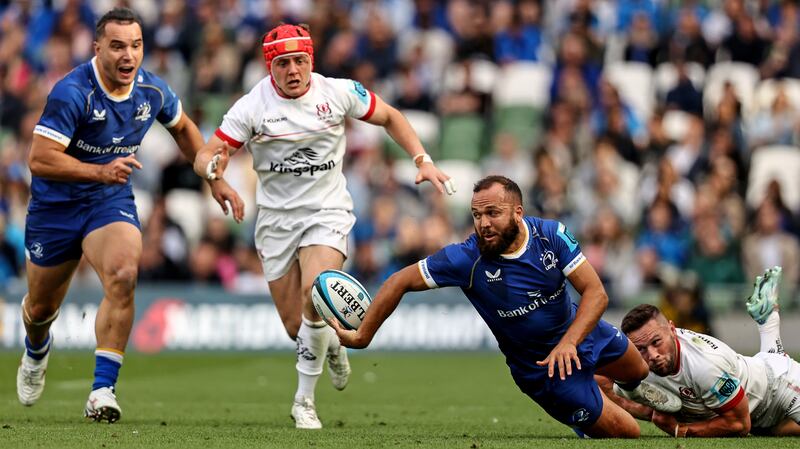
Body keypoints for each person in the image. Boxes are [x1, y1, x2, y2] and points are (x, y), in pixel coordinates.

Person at [193, 23, 454, 429]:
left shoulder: (337, 92)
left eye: (300, 61)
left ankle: (303, 402)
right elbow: (207, 152)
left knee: (315, 290)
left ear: (311, 61)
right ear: (269, 67)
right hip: (276, 221)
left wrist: (422, 160)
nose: (294, 70)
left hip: (326, 211)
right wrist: (215, 173)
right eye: (283, 63)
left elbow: (389, 116)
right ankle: (333, 342)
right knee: (296, 326)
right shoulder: (252, 107)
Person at [17, 8, 243, 423]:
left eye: (136, 46)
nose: (129, 55)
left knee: (124, 273)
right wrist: (98, 171)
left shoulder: (150, 90)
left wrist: (213, 178)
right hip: (55, 208)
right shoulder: (72, 93)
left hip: (108, 200)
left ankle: (102, 390)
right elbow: (40, 158)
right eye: (118, 46)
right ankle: (36, 349)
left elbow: (185, 130)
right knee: (40, 309)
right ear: (97, 48)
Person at [331, 175, 674, 438]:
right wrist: (363, 335)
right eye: (477, 214)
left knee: (639, 373)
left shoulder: (551, 235)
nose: (483, 223)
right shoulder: (467, 258)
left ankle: (604, 387)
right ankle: (586, 410)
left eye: (492, 213)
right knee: (629, 434)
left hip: (582, 335)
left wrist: (570, 341)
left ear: (517, 212)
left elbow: (596, 293)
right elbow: (399, 280)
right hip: (544, 370)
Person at [610, 266, 800, 437]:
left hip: (780, 388)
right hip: (758, 401)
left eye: (656, 342)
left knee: (764, 420)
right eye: (641, 349)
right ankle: (768, 324)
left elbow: (740, 424)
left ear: (672, 329)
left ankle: (769, 325)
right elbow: (614, 388)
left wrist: (680, 430)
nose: (652, 355)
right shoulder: (640, 359)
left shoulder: (704, 365)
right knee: (772, 430)